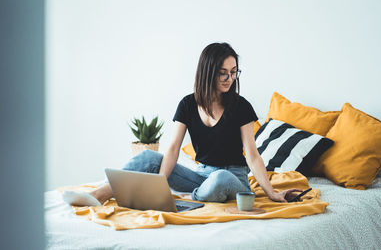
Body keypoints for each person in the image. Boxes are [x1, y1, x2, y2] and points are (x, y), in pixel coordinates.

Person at [63, 42, 301, 207]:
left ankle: (191, 197)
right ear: (208, 72)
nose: (230, 79)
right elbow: (174, 148)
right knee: (148, 158)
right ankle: (98, 195)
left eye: (234, 72)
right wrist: (160, 183)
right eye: (223, 73)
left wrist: (270, 192)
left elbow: (252, 154)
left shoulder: (241, 106)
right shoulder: (187, 104)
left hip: (232, 179)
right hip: (201, 176)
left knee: (219, 178)